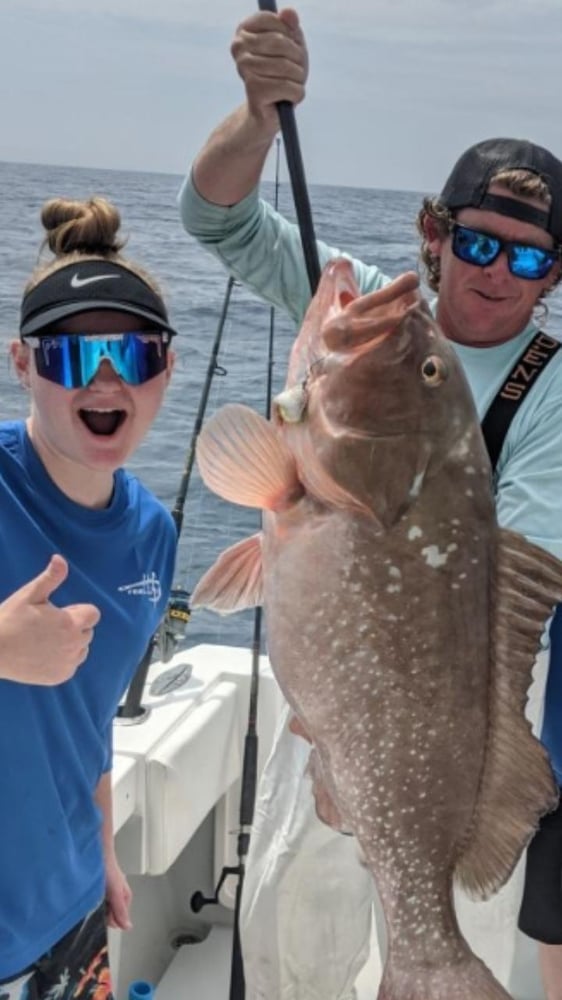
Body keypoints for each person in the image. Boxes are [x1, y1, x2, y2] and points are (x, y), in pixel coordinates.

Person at [178, 8, 562, 999]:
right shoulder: (365, 321)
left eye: (527, 259)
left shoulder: (551, 387)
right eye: (478, 242)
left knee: (432, 922)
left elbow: (513, 556)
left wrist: (320, 495)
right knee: (290, 927)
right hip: (338, 695)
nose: (495, 273)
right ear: (435, 231)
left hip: (449, 710)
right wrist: (260, 118)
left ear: (553, 274)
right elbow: (213, 219)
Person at [0, 196, 178, 999]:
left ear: (166, 370)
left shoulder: (154, 534)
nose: (107, 381)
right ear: (22, 365)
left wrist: (102, 851)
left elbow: (90, 715)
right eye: (72, 357)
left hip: (70, 920)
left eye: (134, 355)